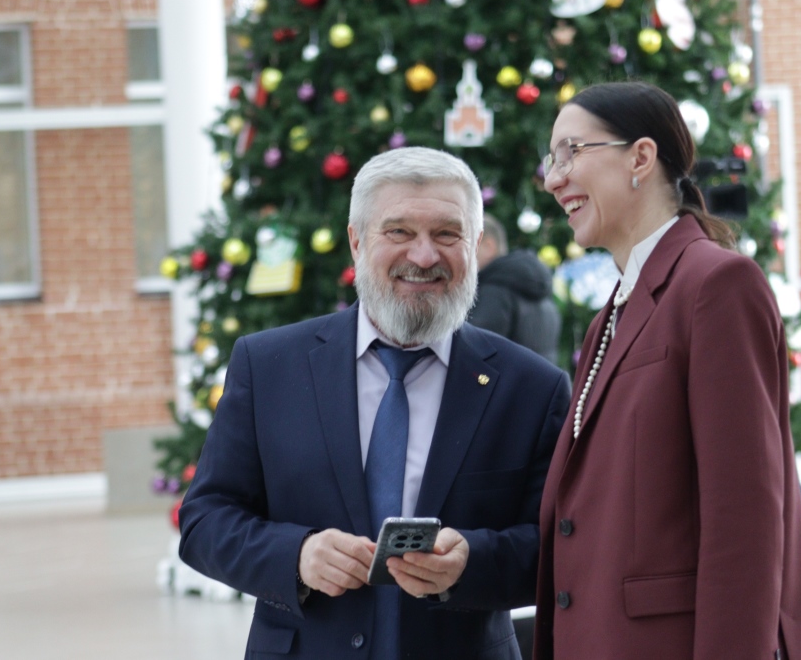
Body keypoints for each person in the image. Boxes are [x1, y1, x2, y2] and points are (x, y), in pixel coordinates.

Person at [178, 146, 571, 660]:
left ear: (475, 246)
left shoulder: (532, 388)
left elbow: (559, 546)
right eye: (399, 232)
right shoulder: (269, 366)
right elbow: (205, 521)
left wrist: (471, 561)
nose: (424, 256)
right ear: (356, 241)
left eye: (447, 235)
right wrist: (296, 555)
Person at [533, 81, 801, 659]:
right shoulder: (608, 318)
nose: (553, 179)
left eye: (571, 152)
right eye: (551, 159)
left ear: (641, 157)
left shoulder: (716, 284)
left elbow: (744, 521)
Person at [466, 213, 562, 364]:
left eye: (468, 246)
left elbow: (473, 352)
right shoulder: (539, 286)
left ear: (489, 246)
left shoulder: (495, 290)